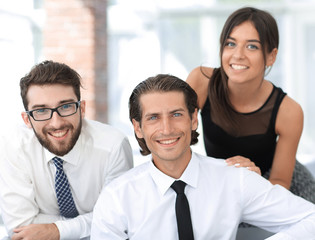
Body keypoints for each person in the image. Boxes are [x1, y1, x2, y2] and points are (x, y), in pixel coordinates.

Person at [91, 74, 315, 239]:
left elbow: (310, 219)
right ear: (138, 128)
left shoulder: (233, 179)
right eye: (153, 118)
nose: (167, 129)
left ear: (193, 119)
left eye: (176, 114)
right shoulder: (117, 197)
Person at [186, 7, 315, 202]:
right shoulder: (201, 81)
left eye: (252, 46)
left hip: (273, 186)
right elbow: (175, 137)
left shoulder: (288, 111)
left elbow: (280, 182)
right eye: (231, 44)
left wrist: (255, 183)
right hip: (220, 182)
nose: (238, 55)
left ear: (271, 56)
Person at [0, 60, 133, 240]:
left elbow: (119, 220)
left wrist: (56, 230)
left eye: (65, 107)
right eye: (41, 111)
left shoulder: (113, 146)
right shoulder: (14, 146)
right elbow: (21, 228)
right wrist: (90, 221)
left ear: (82, 109)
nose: (56, 123)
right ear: (27, 120)